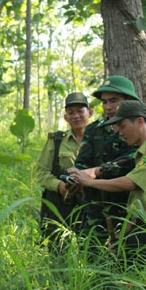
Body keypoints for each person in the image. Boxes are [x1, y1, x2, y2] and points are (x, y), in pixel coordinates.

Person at [71, 101, 146, 259]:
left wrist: (90, 181)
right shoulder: (142, 153)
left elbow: (130, 183)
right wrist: (121, 236)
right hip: (141, 227)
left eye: (123, 126)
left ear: (140, 121)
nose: (120, 133)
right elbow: (138, 200)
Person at [70, 76, 146, 247]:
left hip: (129, 206)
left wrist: (98, 171)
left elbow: (137, 156)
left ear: (129, 100)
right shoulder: (94, 129)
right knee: (92, 256)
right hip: (96, 206)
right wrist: (76, 176)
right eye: (104, 102)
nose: (108, 107)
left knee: (130, 260)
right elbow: (83, 161)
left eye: (114, 101)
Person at [35, 92, 93, 249]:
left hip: (91, 202)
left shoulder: (100, 139)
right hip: (61, 203)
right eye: (70, 112)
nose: (76, 116)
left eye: (80, 111)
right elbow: (41, 172)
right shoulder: (56, 141)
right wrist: (59, 186)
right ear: (66, 117)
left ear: (90, 112)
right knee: (57, 248)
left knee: (91, 248)